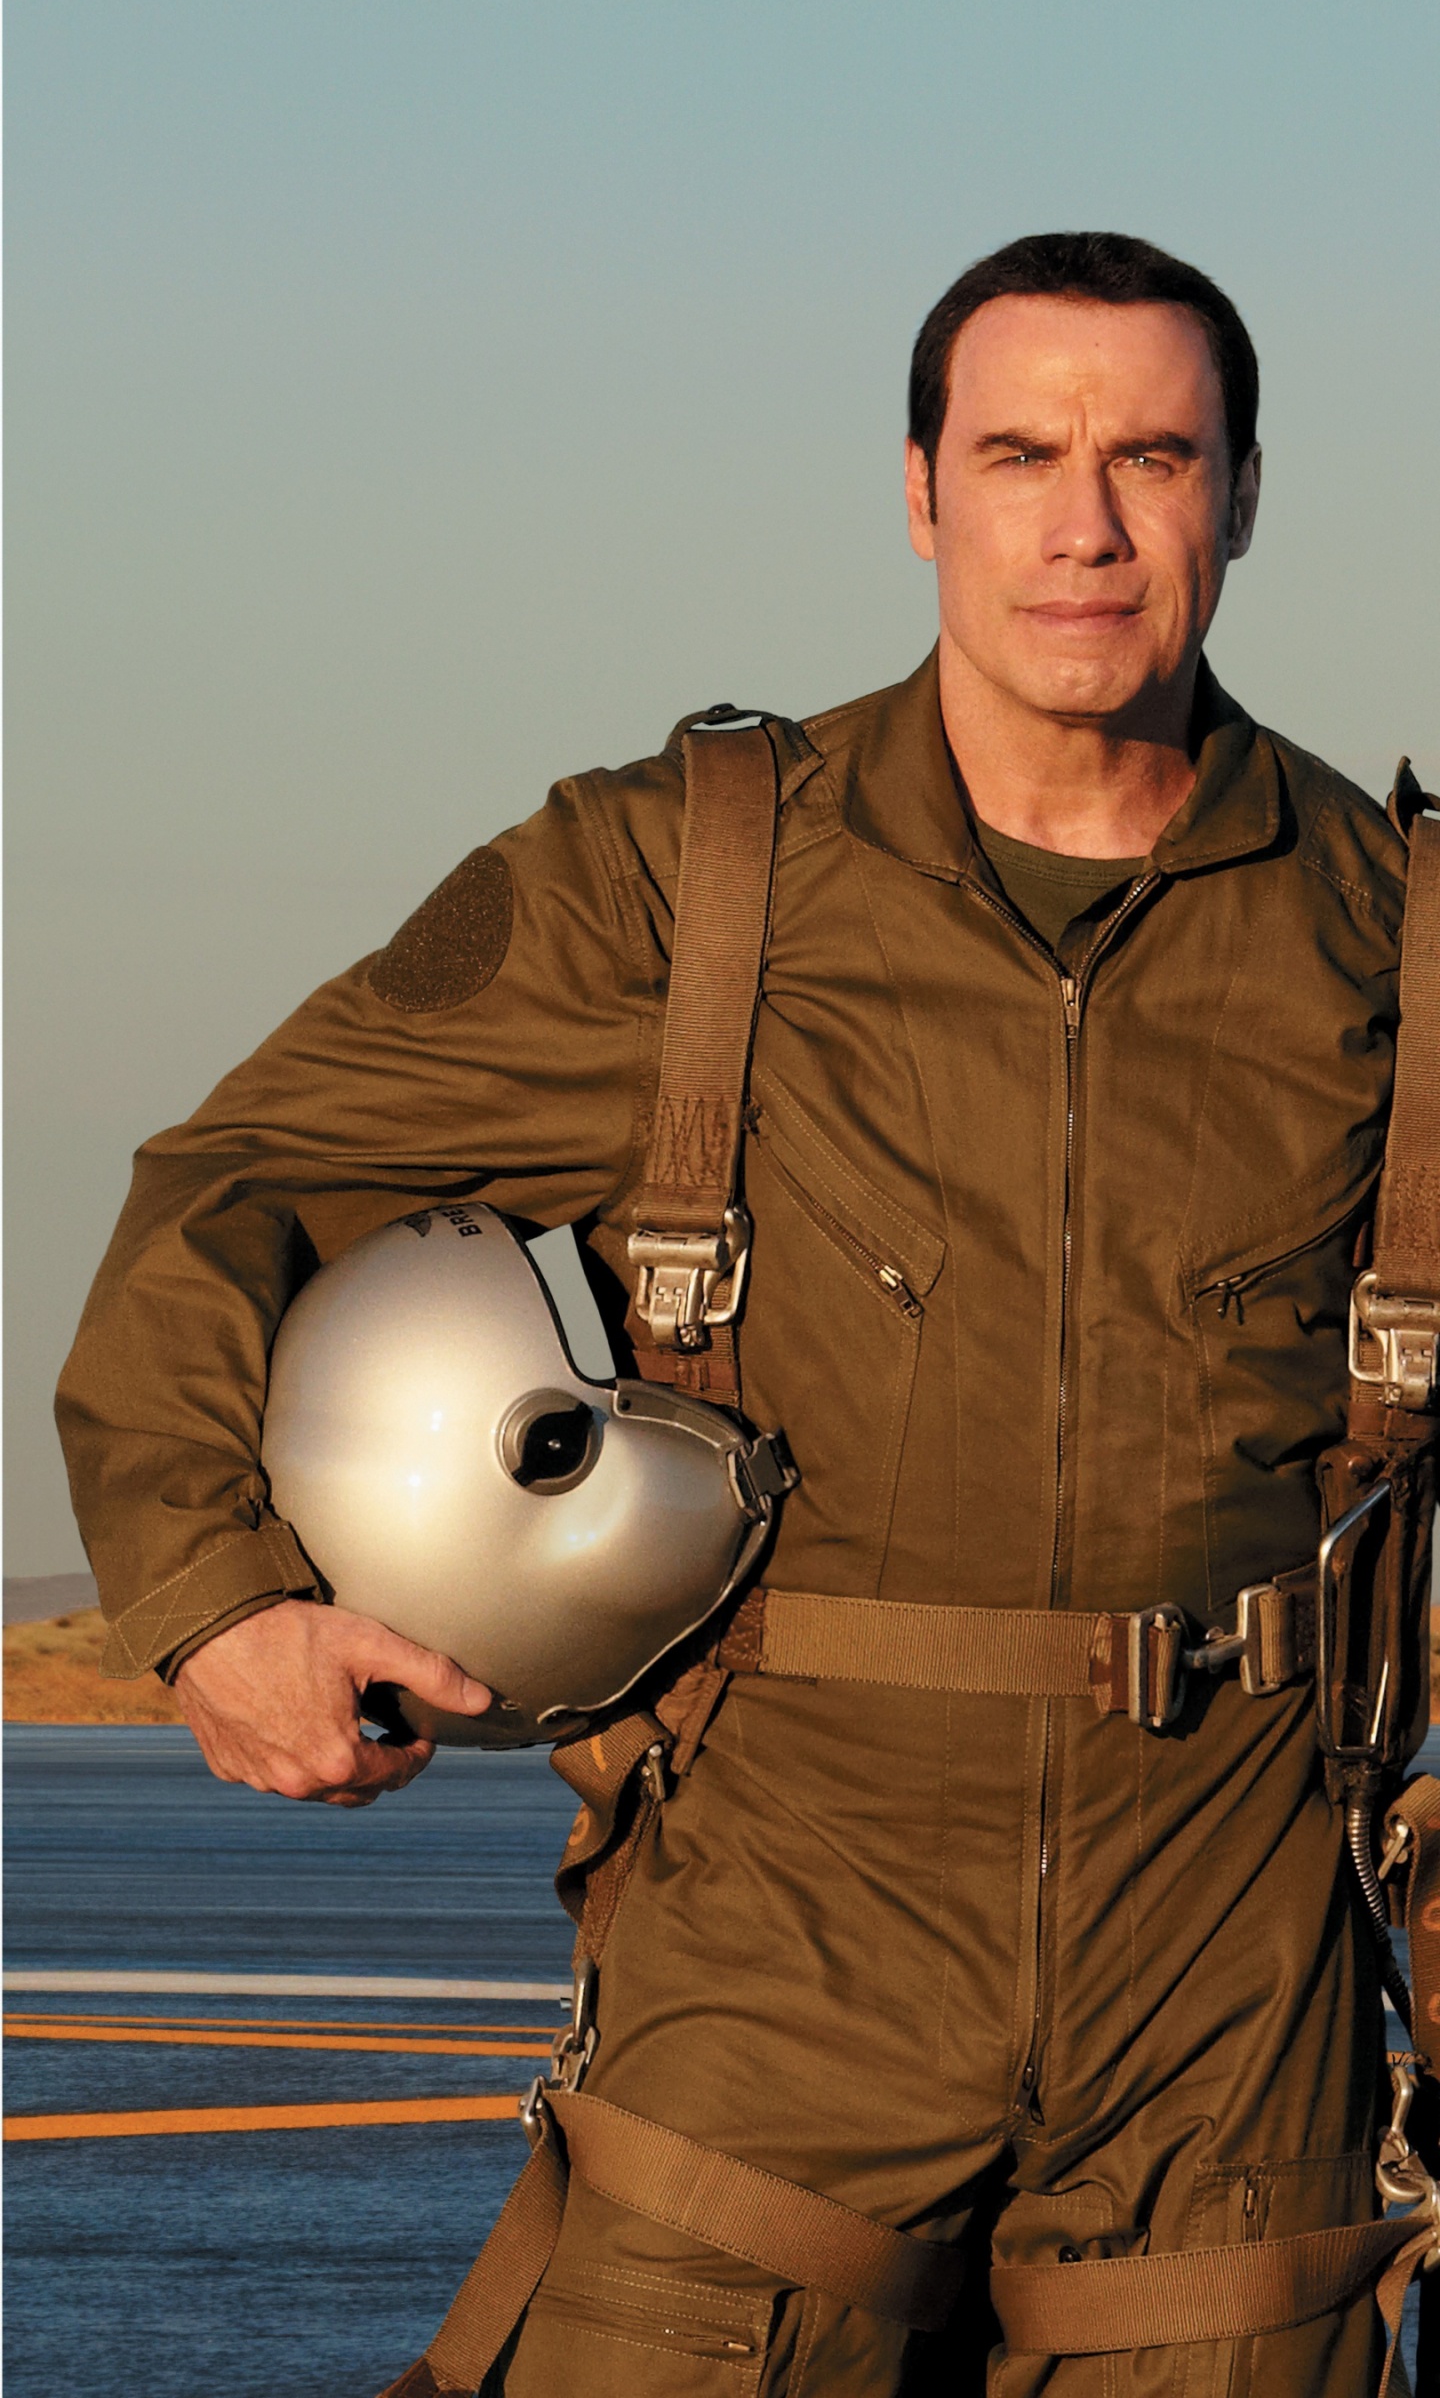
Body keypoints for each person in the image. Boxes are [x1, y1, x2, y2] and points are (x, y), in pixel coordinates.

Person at [57, 232, 1422, 2394]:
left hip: (1238, 1988)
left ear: (1242, 495)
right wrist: (212, 1598)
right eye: (1021, 454)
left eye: (1155, 457)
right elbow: (239, 1177)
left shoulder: (1397, 935)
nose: (1084, 524)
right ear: (921, 491)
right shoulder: (682, 882)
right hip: (779, 1958)